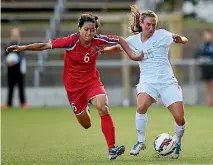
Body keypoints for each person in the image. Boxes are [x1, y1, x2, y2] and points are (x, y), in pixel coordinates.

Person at [6, 13, 142, 160]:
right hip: (74, 89)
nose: (89, 33)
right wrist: (23, 47)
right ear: (79, 29)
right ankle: (86, 106)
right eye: (86, 29)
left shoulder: (98, 40)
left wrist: (132, 55)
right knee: (86, 124)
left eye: (92, 30)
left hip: (92, 82)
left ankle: (112, 149)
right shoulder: (71, 41)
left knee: (103, 107)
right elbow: (45, 45)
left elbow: (120, 40)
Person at [101, 5, 188, 159]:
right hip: (148, 82)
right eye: (148, 24)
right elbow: (118, 47)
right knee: (141, 106)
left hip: (167, 81)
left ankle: (178, 142)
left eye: (154, 24)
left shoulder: (163, 35)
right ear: (141, 23)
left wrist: (179, 39)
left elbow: (183, 39)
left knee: (179, 118)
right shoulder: (133, 40)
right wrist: (102, 50)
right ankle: (140, 141)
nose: (152, 27)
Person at [2, 27, 28, 109]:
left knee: (21, 87)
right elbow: (5, 55)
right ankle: (8, 104)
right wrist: (8, 61)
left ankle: (23, 103)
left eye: (16, 33)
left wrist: (15, 61)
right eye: (13, 33)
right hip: (10, 70)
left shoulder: (21, 44)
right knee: (10, 87)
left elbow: (22, 56)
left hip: (19, 69)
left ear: (18, 35)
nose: (15, 35)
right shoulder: (8, 44)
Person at [194, 29, 213, 106]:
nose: (206, 37)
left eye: (208, 35)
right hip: (206, 69)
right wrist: (201, 58)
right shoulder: (202, 46)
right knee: (208, 87)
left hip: (211, 68)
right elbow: (197, 55)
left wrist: (207, 58)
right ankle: (209, 103)